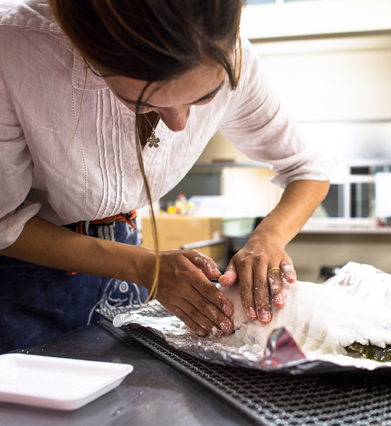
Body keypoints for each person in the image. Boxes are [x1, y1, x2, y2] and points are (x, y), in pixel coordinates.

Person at [0, 0, 333, 353]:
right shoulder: (15, 49)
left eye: (204, 97)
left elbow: (308, 170)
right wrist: (145, 267)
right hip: (20, 269)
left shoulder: (237, 59)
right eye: (141, 102)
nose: (178, 124)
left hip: (126, 252)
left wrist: (269, 237)